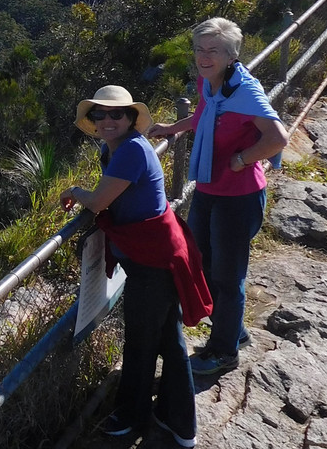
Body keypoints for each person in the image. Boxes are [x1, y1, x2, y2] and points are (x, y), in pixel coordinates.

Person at [61, 85, 210, 447]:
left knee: (143, 342)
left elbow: (98, 201)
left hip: (152, 261)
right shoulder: (114, 149)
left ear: (130, 118)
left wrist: (74, 192)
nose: (108, 120)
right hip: (158, 253)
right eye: (101, 114)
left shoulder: (128, 151)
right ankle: (178, 422)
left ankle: (132, 418)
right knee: (167, 338)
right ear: (93, 121)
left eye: (117, 114)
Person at [149, 17, 289, 376]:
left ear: (231, 55)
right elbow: (202, 114)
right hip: (209, 188)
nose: (203, 56)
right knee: (202, 262)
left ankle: (224, 351)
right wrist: (172, 128)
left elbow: (277, 138)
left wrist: (242, 159)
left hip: (238, 197)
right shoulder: (209, 83)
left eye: (213, 50)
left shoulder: (244, 92)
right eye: (199, 48)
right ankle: (234, 330)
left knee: (228, 277)